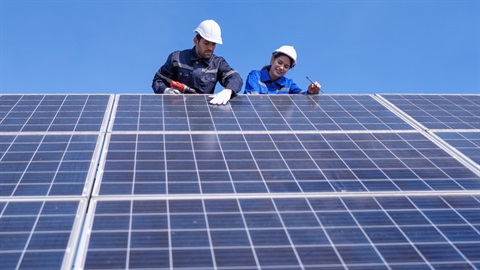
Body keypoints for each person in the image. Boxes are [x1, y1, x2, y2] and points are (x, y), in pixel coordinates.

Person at [152, 20, 243, 105]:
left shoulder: (218, 63)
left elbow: (235, 78)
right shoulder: (177, 58)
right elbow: (158, 80)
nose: (210, 48)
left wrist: (228, 90)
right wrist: (165, 90)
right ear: (196, 41)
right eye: (206, 43)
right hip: (178, 114)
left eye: (213, 44)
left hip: (204, 116)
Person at [244, 45, 321, 95]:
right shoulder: (255, 76)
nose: (281, 68)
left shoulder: (288, 84)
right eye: (279, 62)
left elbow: (302, 98)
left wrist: (311, 92)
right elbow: (252, 100)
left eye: (286, 66)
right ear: (272, 59)